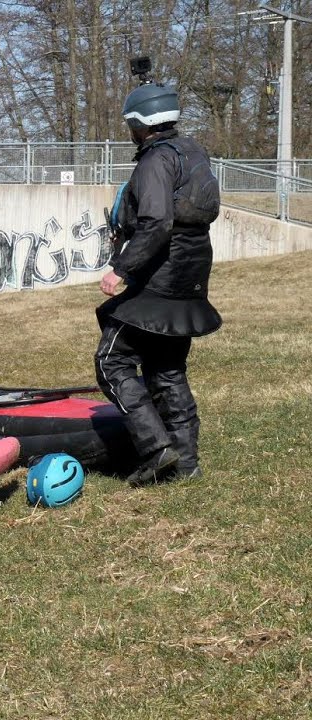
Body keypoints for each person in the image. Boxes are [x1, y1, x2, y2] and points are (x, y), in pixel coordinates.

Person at [96, 76, 222, 486]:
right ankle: (187, 464)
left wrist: (122, 269)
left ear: (140, 123)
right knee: (167, 368)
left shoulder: (154, 162)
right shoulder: (192, 151)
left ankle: (155, 449)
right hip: (191, 270)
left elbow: (155, 222)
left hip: (159, 272)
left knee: (111, 360)